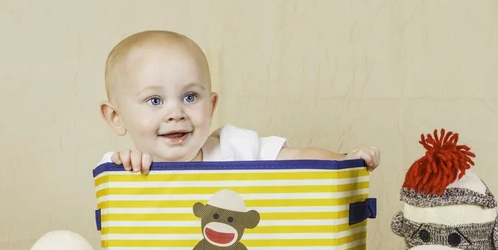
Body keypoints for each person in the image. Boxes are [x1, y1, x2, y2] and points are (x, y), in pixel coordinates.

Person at [99, 30, 380, 173]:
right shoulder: (123, 168)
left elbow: (295, 156)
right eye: (155, 100)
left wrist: (345, 160)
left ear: (210, 106)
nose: (176, 113)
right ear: (116, 118)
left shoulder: (233, 148)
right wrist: (123, 166)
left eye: (190, 97)